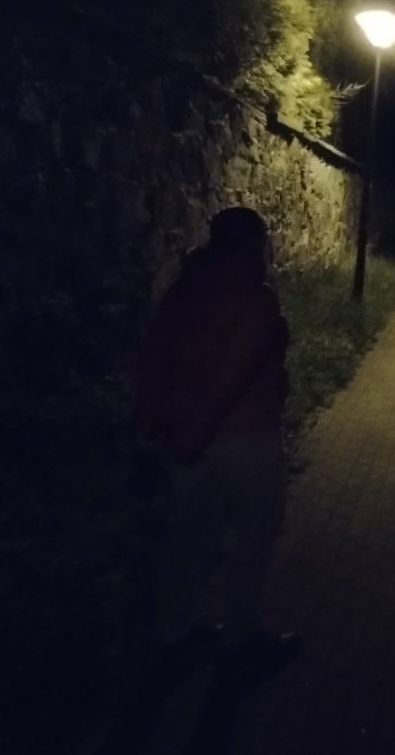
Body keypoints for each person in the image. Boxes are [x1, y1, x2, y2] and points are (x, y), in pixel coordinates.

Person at [134, 206, 297, 672]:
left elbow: (154, 362)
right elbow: (233, 373)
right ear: (255, 245)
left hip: (185, 437)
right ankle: (238, 640)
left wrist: (152, 427)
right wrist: (195, 436)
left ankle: (173, 634)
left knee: (186, 539)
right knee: (253, 540)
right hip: (248, 437)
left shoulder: (182, 292)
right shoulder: (256, 298)